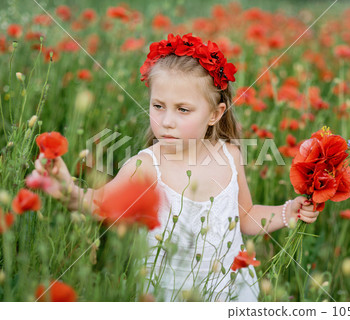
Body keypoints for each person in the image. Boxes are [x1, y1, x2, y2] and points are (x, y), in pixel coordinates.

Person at [33, 33, 320, 302]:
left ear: (214, 114)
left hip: (229, 290)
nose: (167, 120)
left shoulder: (230, 156)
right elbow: (97, 205)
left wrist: (288, 212)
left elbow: (245, 218)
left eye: (182, 109)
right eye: (158, 106)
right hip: (167, 292)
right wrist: (65, 188)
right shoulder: (146, 166)